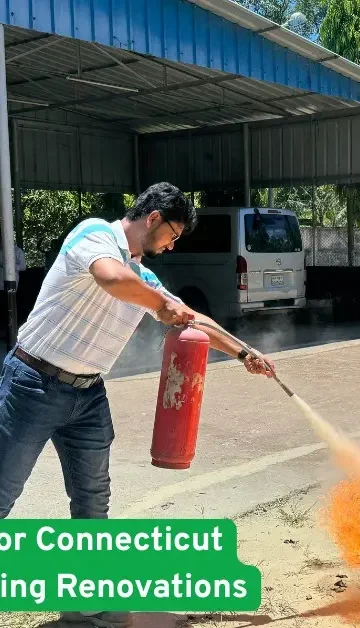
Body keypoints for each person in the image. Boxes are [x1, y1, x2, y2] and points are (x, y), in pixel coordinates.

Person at [0, 182, 275, 628]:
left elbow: (191, 316)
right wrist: (159, 305)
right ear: (152, 219)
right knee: (2, 493)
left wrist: (244, 352)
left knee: (92, 502)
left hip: (87, 395)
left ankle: (88, 609)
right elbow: (111, 277)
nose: (170, 245)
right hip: (33, 383)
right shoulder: (95, 235)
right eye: (172, 234)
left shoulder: (144, 275)